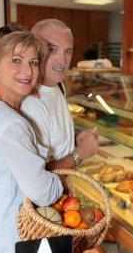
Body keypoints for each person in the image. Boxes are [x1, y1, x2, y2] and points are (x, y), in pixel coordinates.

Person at [0, 31, 63, 253]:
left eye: (33, 62)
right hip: (5, 248)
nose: (29, 71)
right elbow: (42, 192)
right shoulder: (10, 123)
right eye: (16, 60)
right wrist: (58, 182)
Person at [21, 19, 99, 170]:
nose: (63, 60)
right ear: (34, 51)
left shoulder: (59, 87)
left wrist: (75, 141)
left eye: (68, 51)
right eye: (52, 49)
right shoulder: (32, 103)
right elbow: (39, 178)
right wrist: (80, 152)